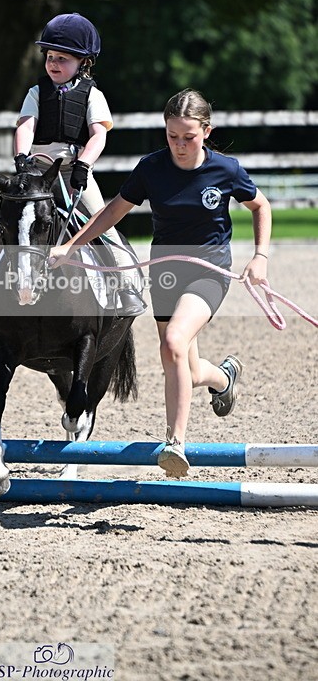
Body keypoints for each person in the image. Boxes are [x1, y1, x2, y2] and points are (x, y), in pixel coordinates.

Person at [49, 88, 272, 478]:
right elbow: (114, 209)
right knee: (185, 363)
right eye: (172, 136)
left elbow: (260, 205)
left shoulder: (226, 169)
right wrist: (70, 245)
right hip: (166, 275)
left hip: (210, 272)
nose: (180, 145)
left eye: (189, 137)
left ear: (206, 131)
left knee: (172, 344)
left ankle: (175, 443)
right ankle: (224, 377)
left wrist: (260, 257)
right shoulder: (152, 168)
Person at [0, 12, 146, 316]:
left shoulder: (93, 95)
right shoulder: (36, 92)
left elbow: (99, 135)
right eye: (50, 56)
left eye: (63, 58)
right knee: (3, 222)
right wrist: (21, 157)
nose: (54, 63)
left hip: (73, 171)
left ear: (84, 62)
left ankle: (126, 287)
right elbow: (26, 126)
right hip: (38, 171)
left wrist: (83, 164)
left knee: (102, 222)